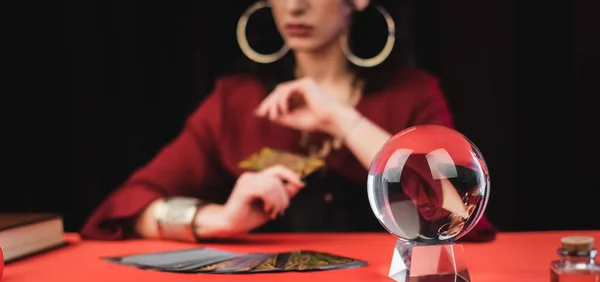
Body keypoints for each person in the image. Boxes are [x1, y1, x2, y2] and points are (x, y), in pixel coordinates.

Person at [80, 0, 496, 242]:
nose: (294, 6)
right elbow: (124, 207)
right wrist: (217, 220)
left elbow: (462, 217)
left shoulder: (414, 95)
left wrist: (341, 120)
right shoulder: (236, 100)